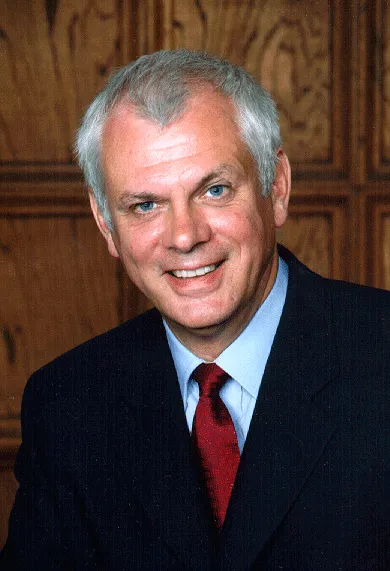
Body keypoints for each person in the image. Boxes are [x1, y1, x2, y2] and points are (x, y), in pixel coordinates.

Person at [1, 49, 389, 570]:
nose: (185, 236)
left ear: (277, 188)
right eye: (145, 205)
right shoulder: (69, 405)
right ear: (104, 222)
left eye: (214, 189)